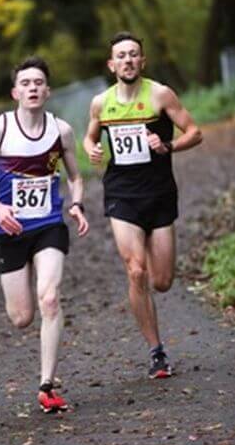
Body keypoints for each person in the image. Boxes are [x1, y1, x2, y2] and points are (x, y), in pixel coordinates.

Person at [0, 56, 89, 412]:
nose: (33, 88)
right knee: (22, 317)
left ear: (47, 90)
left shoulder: (60, 131)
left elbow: (77, 176)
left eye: (39, 82)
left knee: (50, 298)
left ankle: (47, 385)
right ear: (15, 91)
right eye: (26, 83)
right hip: (10, 231)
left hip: (48, 225)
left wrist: (77, 204)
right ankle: (31, 282)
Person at [83, 31, 202, 379]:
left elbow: (194, 132)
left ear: (142, 61)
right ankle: (156, 352)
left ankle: (150, 265)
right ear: (111, 64)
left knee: (162, 281)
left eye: (134, 54)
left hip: (160, 192)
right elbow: (90, 136)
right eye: (121, 56)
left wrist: (167, 145)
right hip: (121, 192)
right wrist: (91, 147)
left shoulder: (160, 94)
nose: (128, 60)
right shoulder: (100, 103)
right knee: (136, 269)